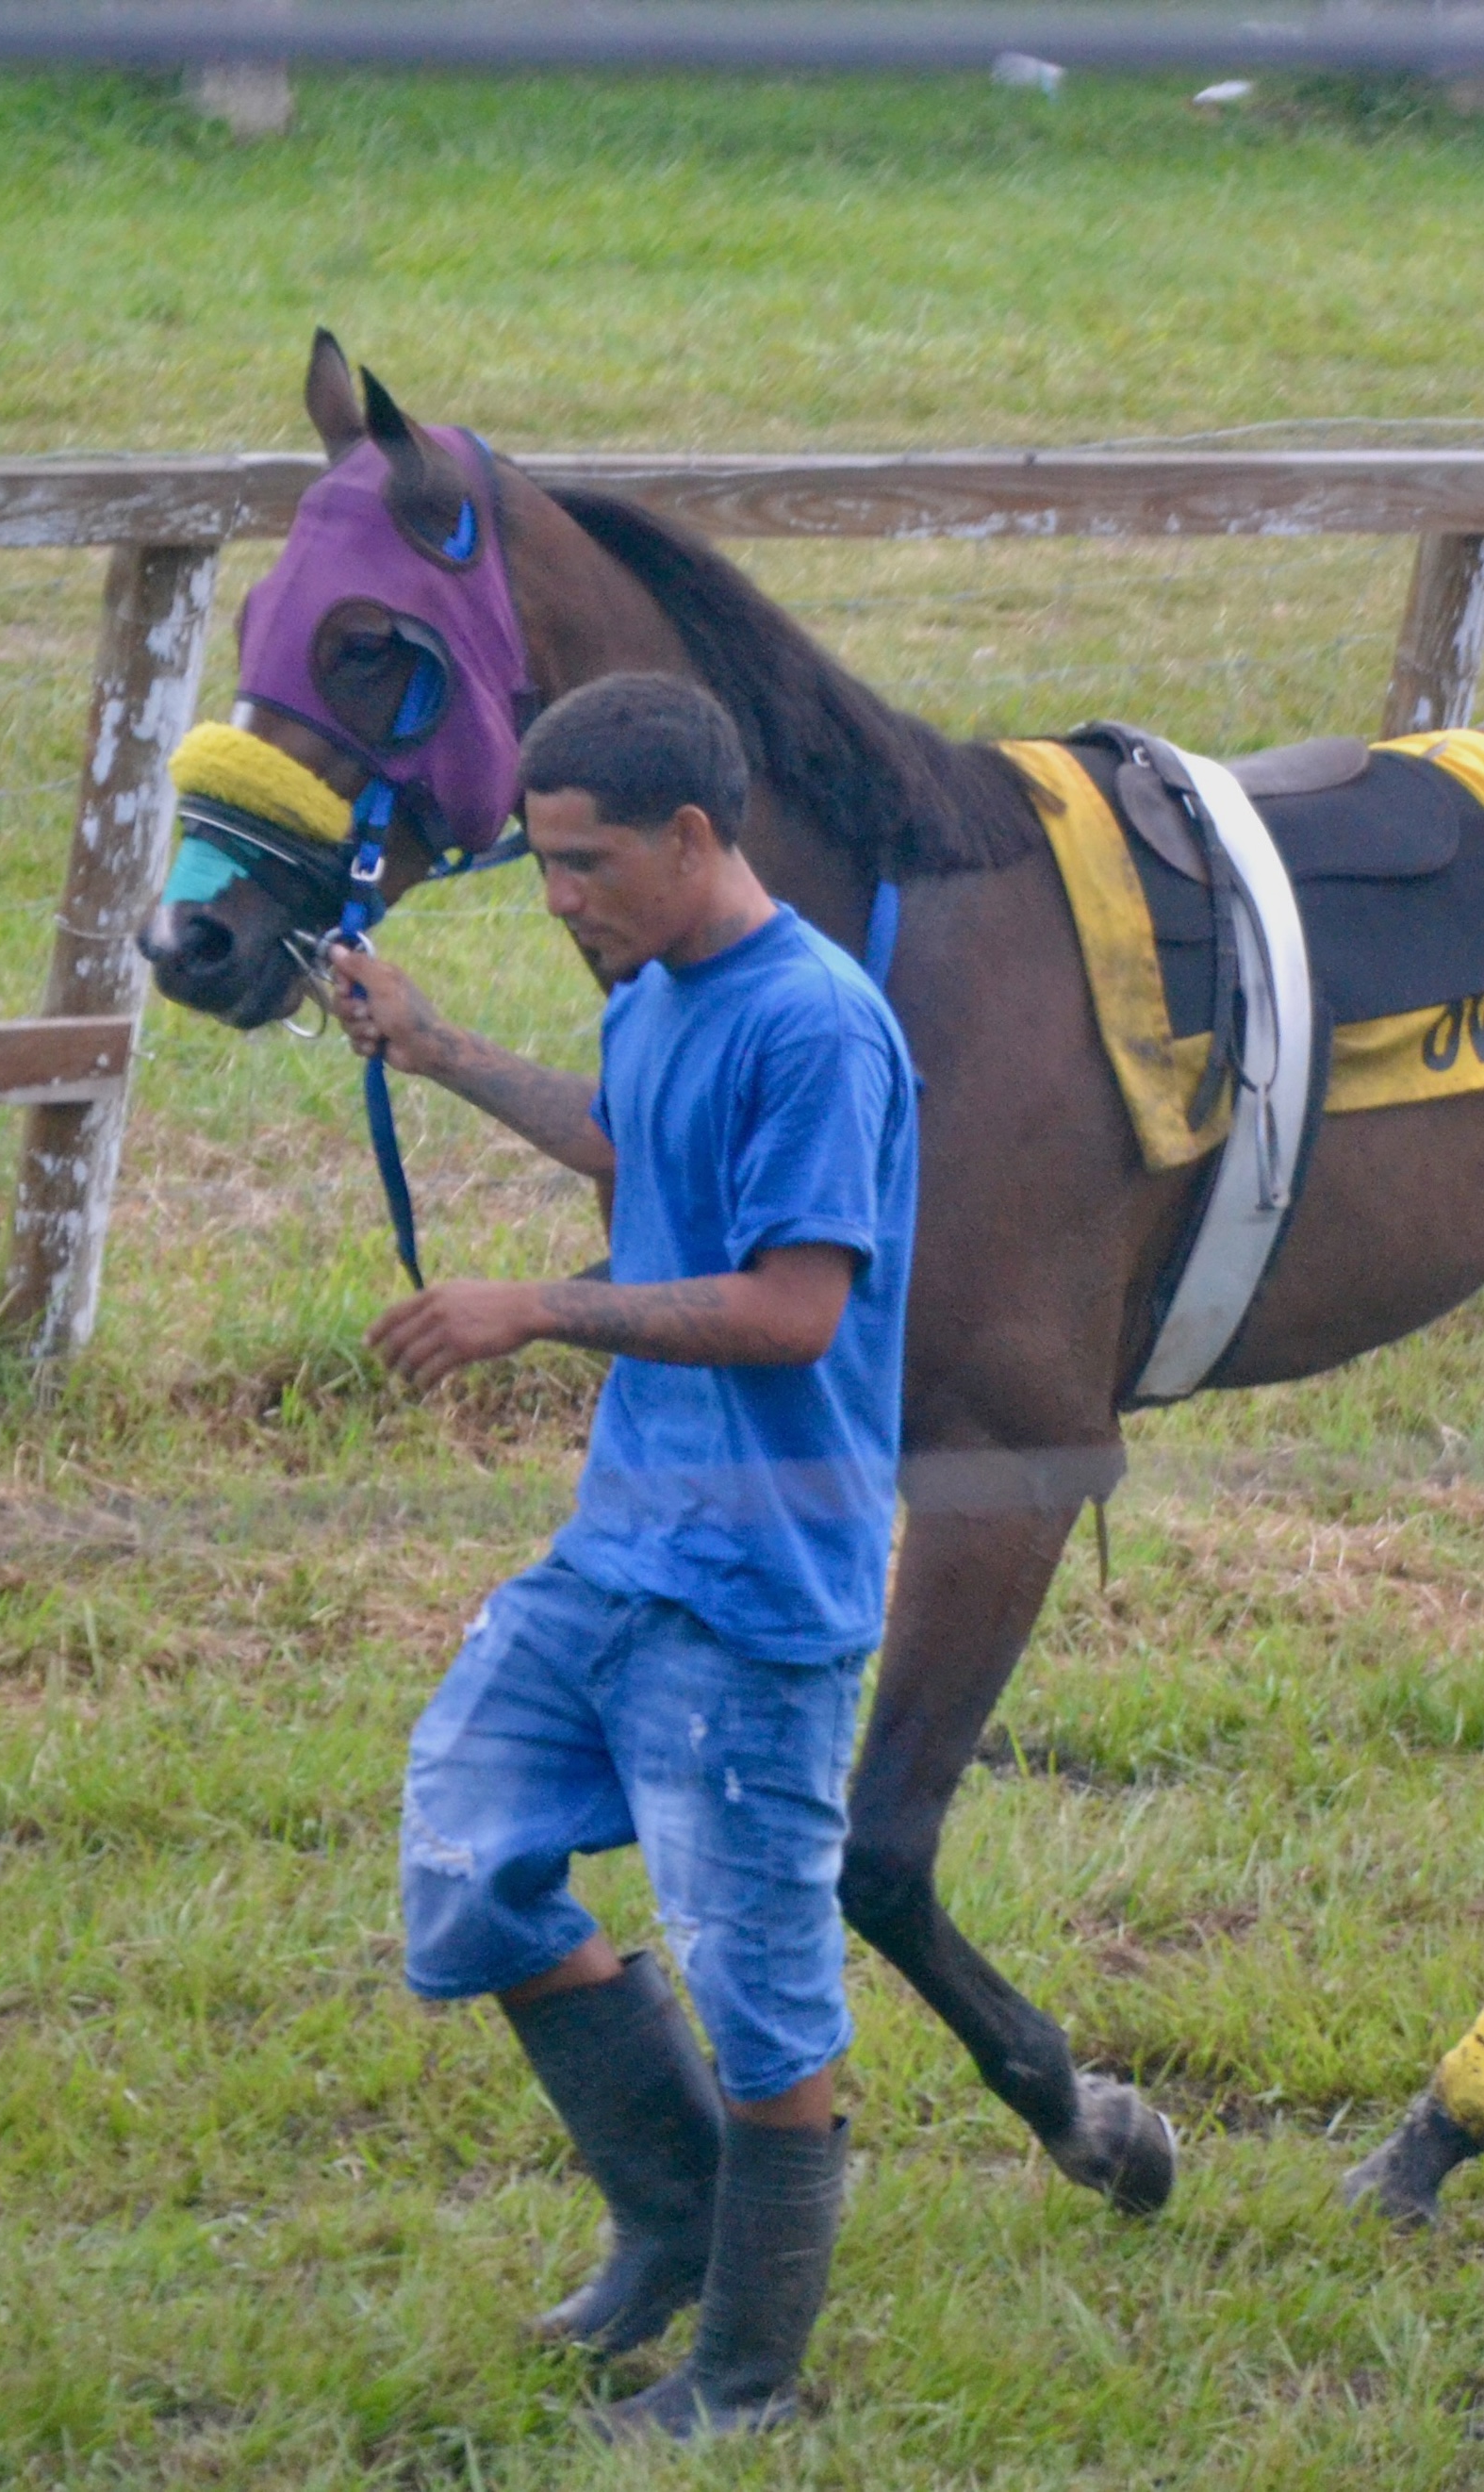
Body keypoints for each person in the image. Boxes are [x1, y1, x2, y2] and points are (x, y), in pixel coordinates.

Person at [324, 671, 917, 2441]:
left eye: (584, 866)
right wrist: (433, 1049)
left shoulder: (815, 1026)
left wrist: (536, 1311)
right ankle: (673, 2223)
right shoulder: (662, 993)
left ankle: (743, 2385)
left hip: (753, 1591)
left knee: (763, 1996)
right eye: (540, 866)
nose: (559, 899)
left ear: (691, 836)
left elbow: (794, 1307)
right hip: (618, 1553)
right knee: (467, 1853)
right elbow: (623, 1139)